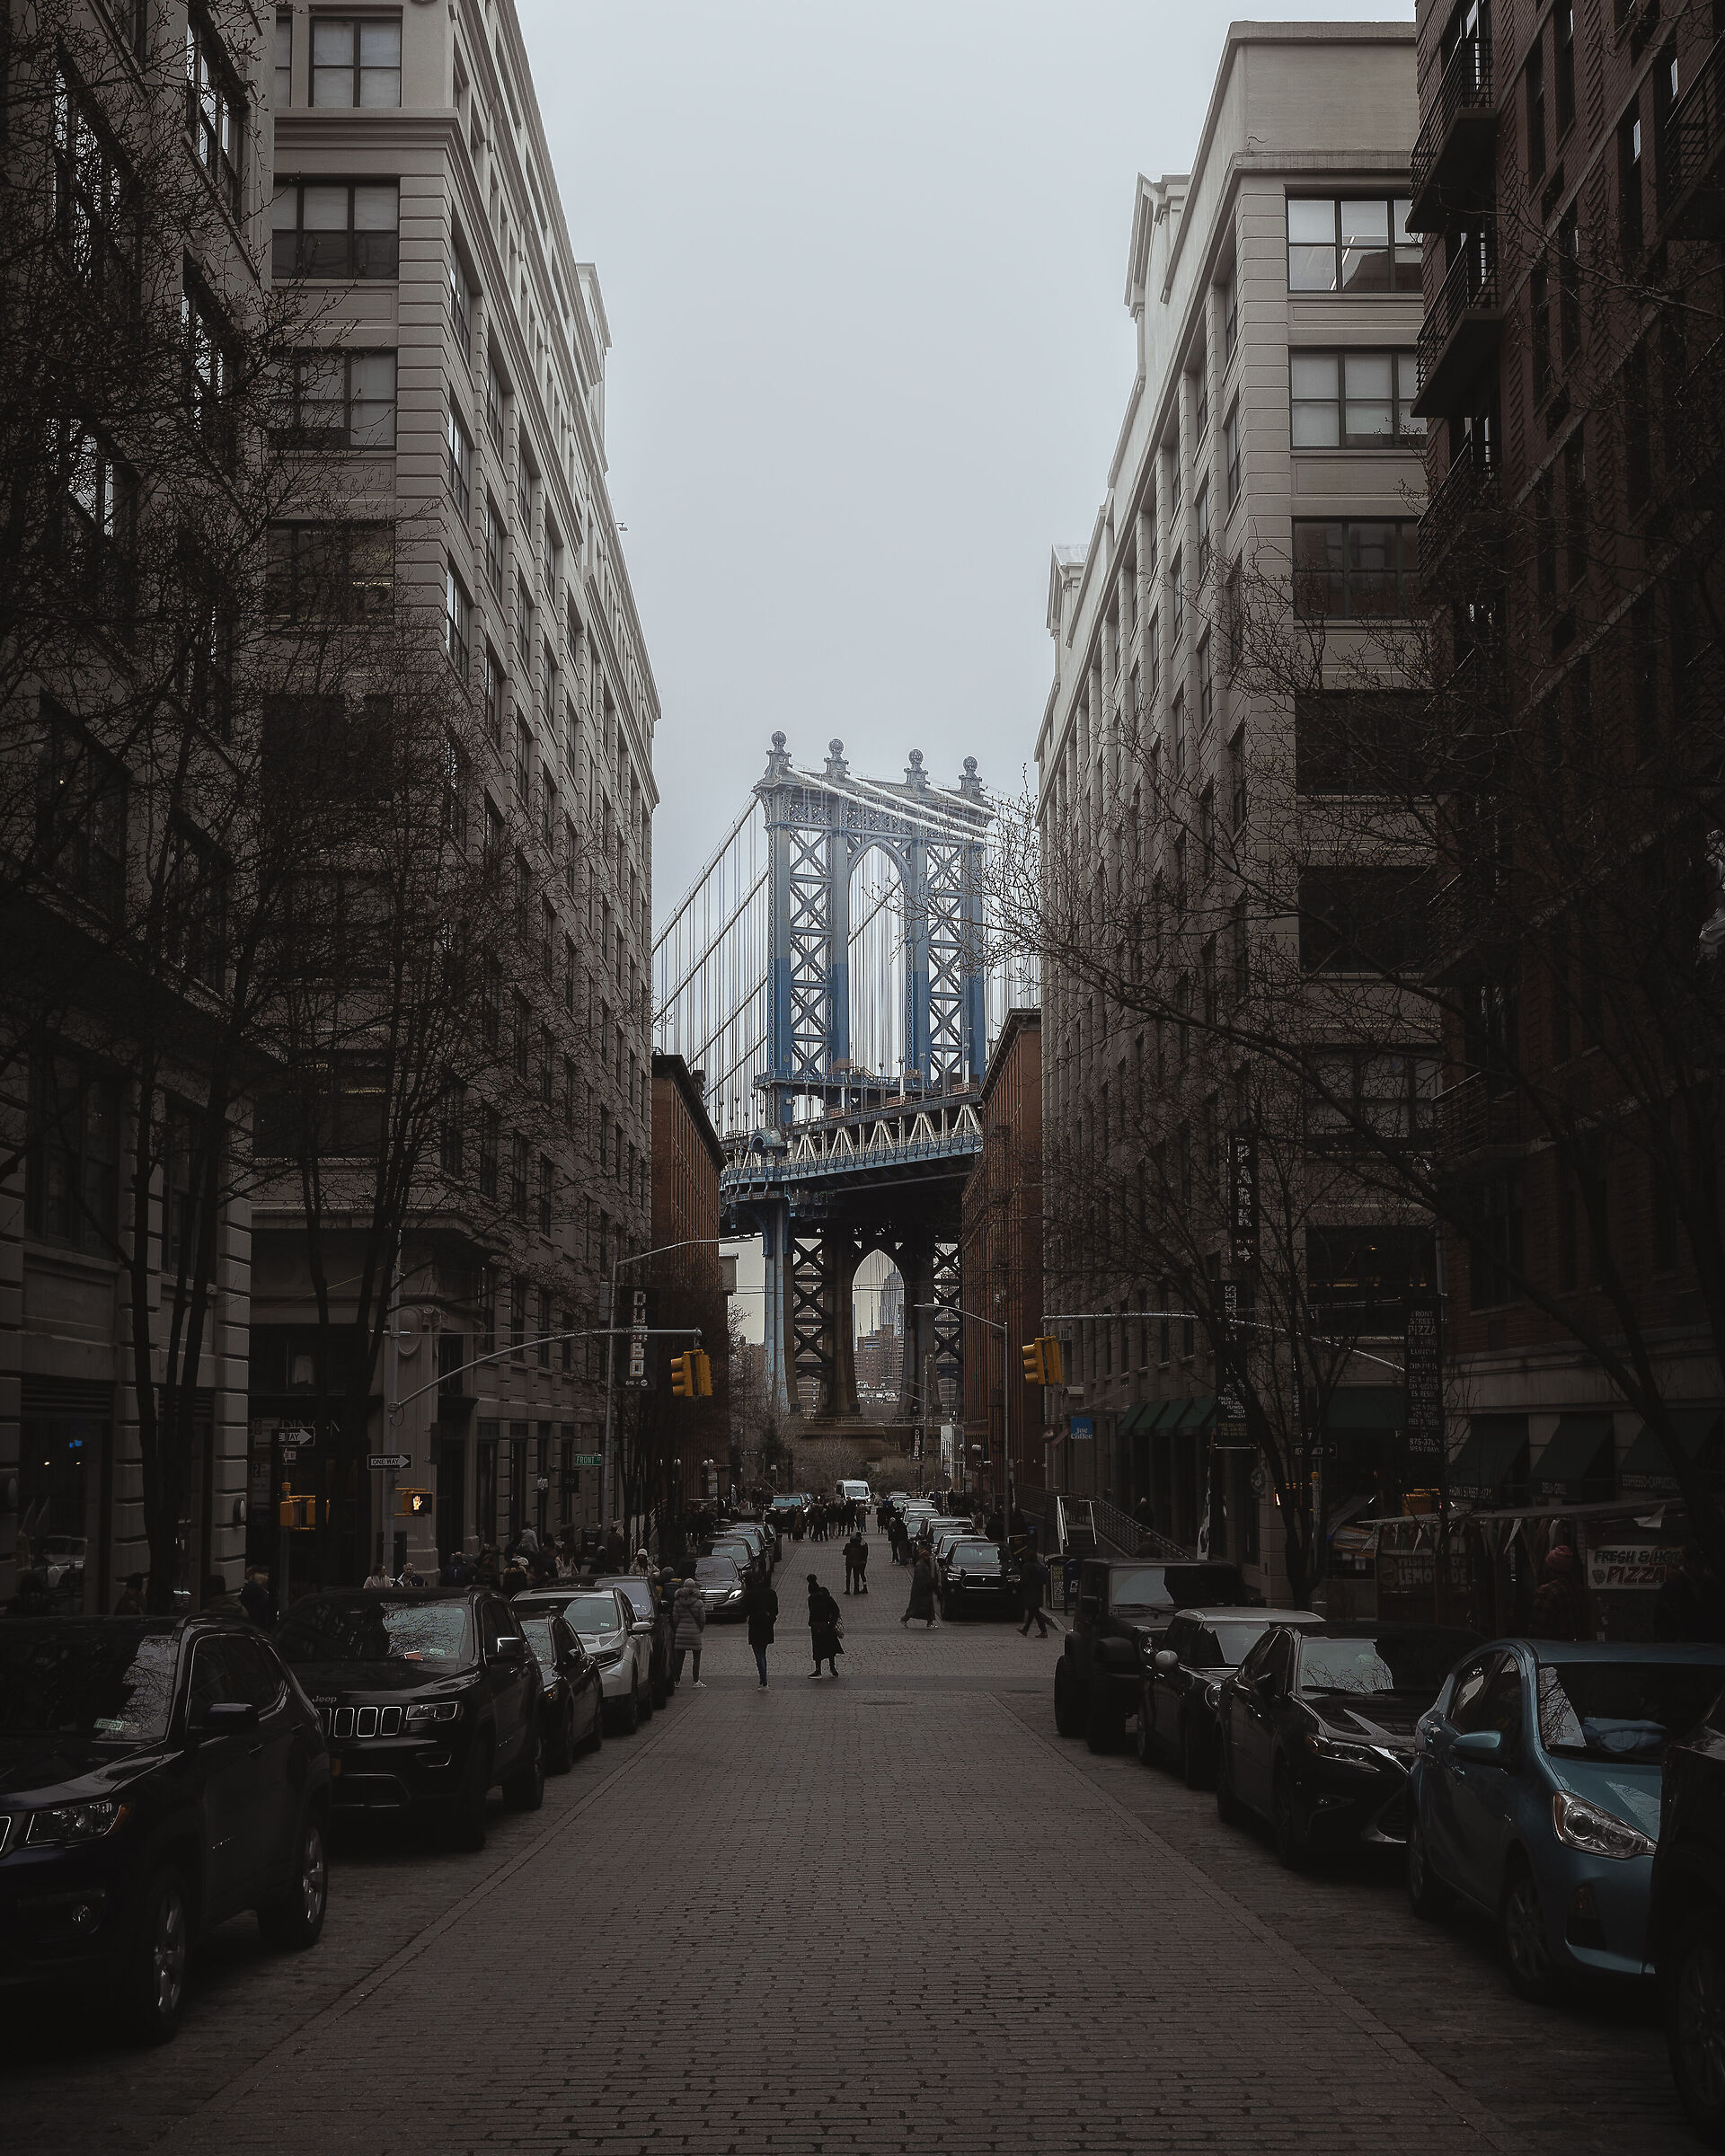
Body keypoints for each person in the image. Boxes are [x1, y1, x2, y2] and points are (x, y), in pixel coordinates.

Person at [1656, 1545, 1725, 1642]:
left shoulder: (1711, 1586)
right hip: (1683, 1643)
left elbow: (1718, 1615)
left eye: (1703, 1562)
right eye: (1697, 1562)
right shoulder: (1672, 1587)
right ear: (1688, 1563)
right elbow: (1663, 1619)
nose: (1701, 1567)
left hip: (1709, 1642)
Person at [1527, 1544, 1591, 1641]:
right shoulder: (1579, 1590)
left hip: (1553, 1648)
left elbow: (1537, 1631)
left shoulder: (1547, 1592)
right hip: (1578, 1648)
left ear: (1550, 1569)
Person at [743, 1567, 779, 1689]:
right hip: (767, 1626)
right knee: (762, 1652)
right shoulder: (771, 1593)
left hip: (755, 1626)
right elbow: (776, 1610)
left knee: (759, 1654)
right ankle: (762, 1679)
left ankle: (764, 1680)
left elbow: (746, 1611)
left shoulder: (750, 1594)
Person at [672, 1571, 707, 1688]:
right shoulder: (698, 1603)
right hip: (694, 1633)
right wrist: (699, 1629)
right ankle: (695, 1681)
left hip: (681, 1633)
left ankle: (676, 1680)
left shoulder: (677, 1602)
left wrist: (677, 1629)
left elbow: (675, 1619)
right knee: (696, 1658)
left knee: (679, 1659)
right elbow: (702, 1619)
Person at [808, 1572, 843, 1677]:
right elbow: (811, 1612)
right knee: (817, 1648)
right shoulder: (811, 1599)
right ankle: (818, 1669)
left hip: (827, 1626)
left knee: (830, 1647)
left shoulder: (827, 1598)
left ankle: (832, 1667)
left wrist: (831, 1624)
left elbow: (836, 1611)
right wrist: (811, 1622)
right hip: (816, 1626)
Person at [902, 1550, 938, 1630]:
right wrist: (928, 1586)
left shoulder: (923, 1565)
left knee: (926, 1607)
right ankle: (905, 1619)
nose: (928, 1558)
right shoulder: (921, 1566)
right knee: (916, 1607)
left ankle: (930, 1622)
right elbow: (922, 1579)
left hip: (923, 1590)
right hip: (922, 1590)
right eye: (927, 1556)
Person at [1019, 1550, 1050, 1639]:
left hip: (1030, 1591)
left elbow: (1025, 1579)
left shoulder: (1027, 1566)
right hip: (1038, 1591)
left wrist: (1021, 1585)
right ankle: (1025, 1630)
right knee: (1033, 1611)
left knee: (1035, 1612)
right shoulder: (1039, 1566)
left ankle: (1043, 1631)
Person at [844, 1530, 867, 1595]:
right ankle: (856, 1590)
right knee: (856, 1576)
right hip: (857, 1562)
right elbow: (862, 1553)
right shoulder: (859, 1545)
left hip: (848, 1563)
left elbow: (844, 1553)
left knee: (848, 1576)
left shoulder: (848, 1545)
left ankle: (848, 1590)